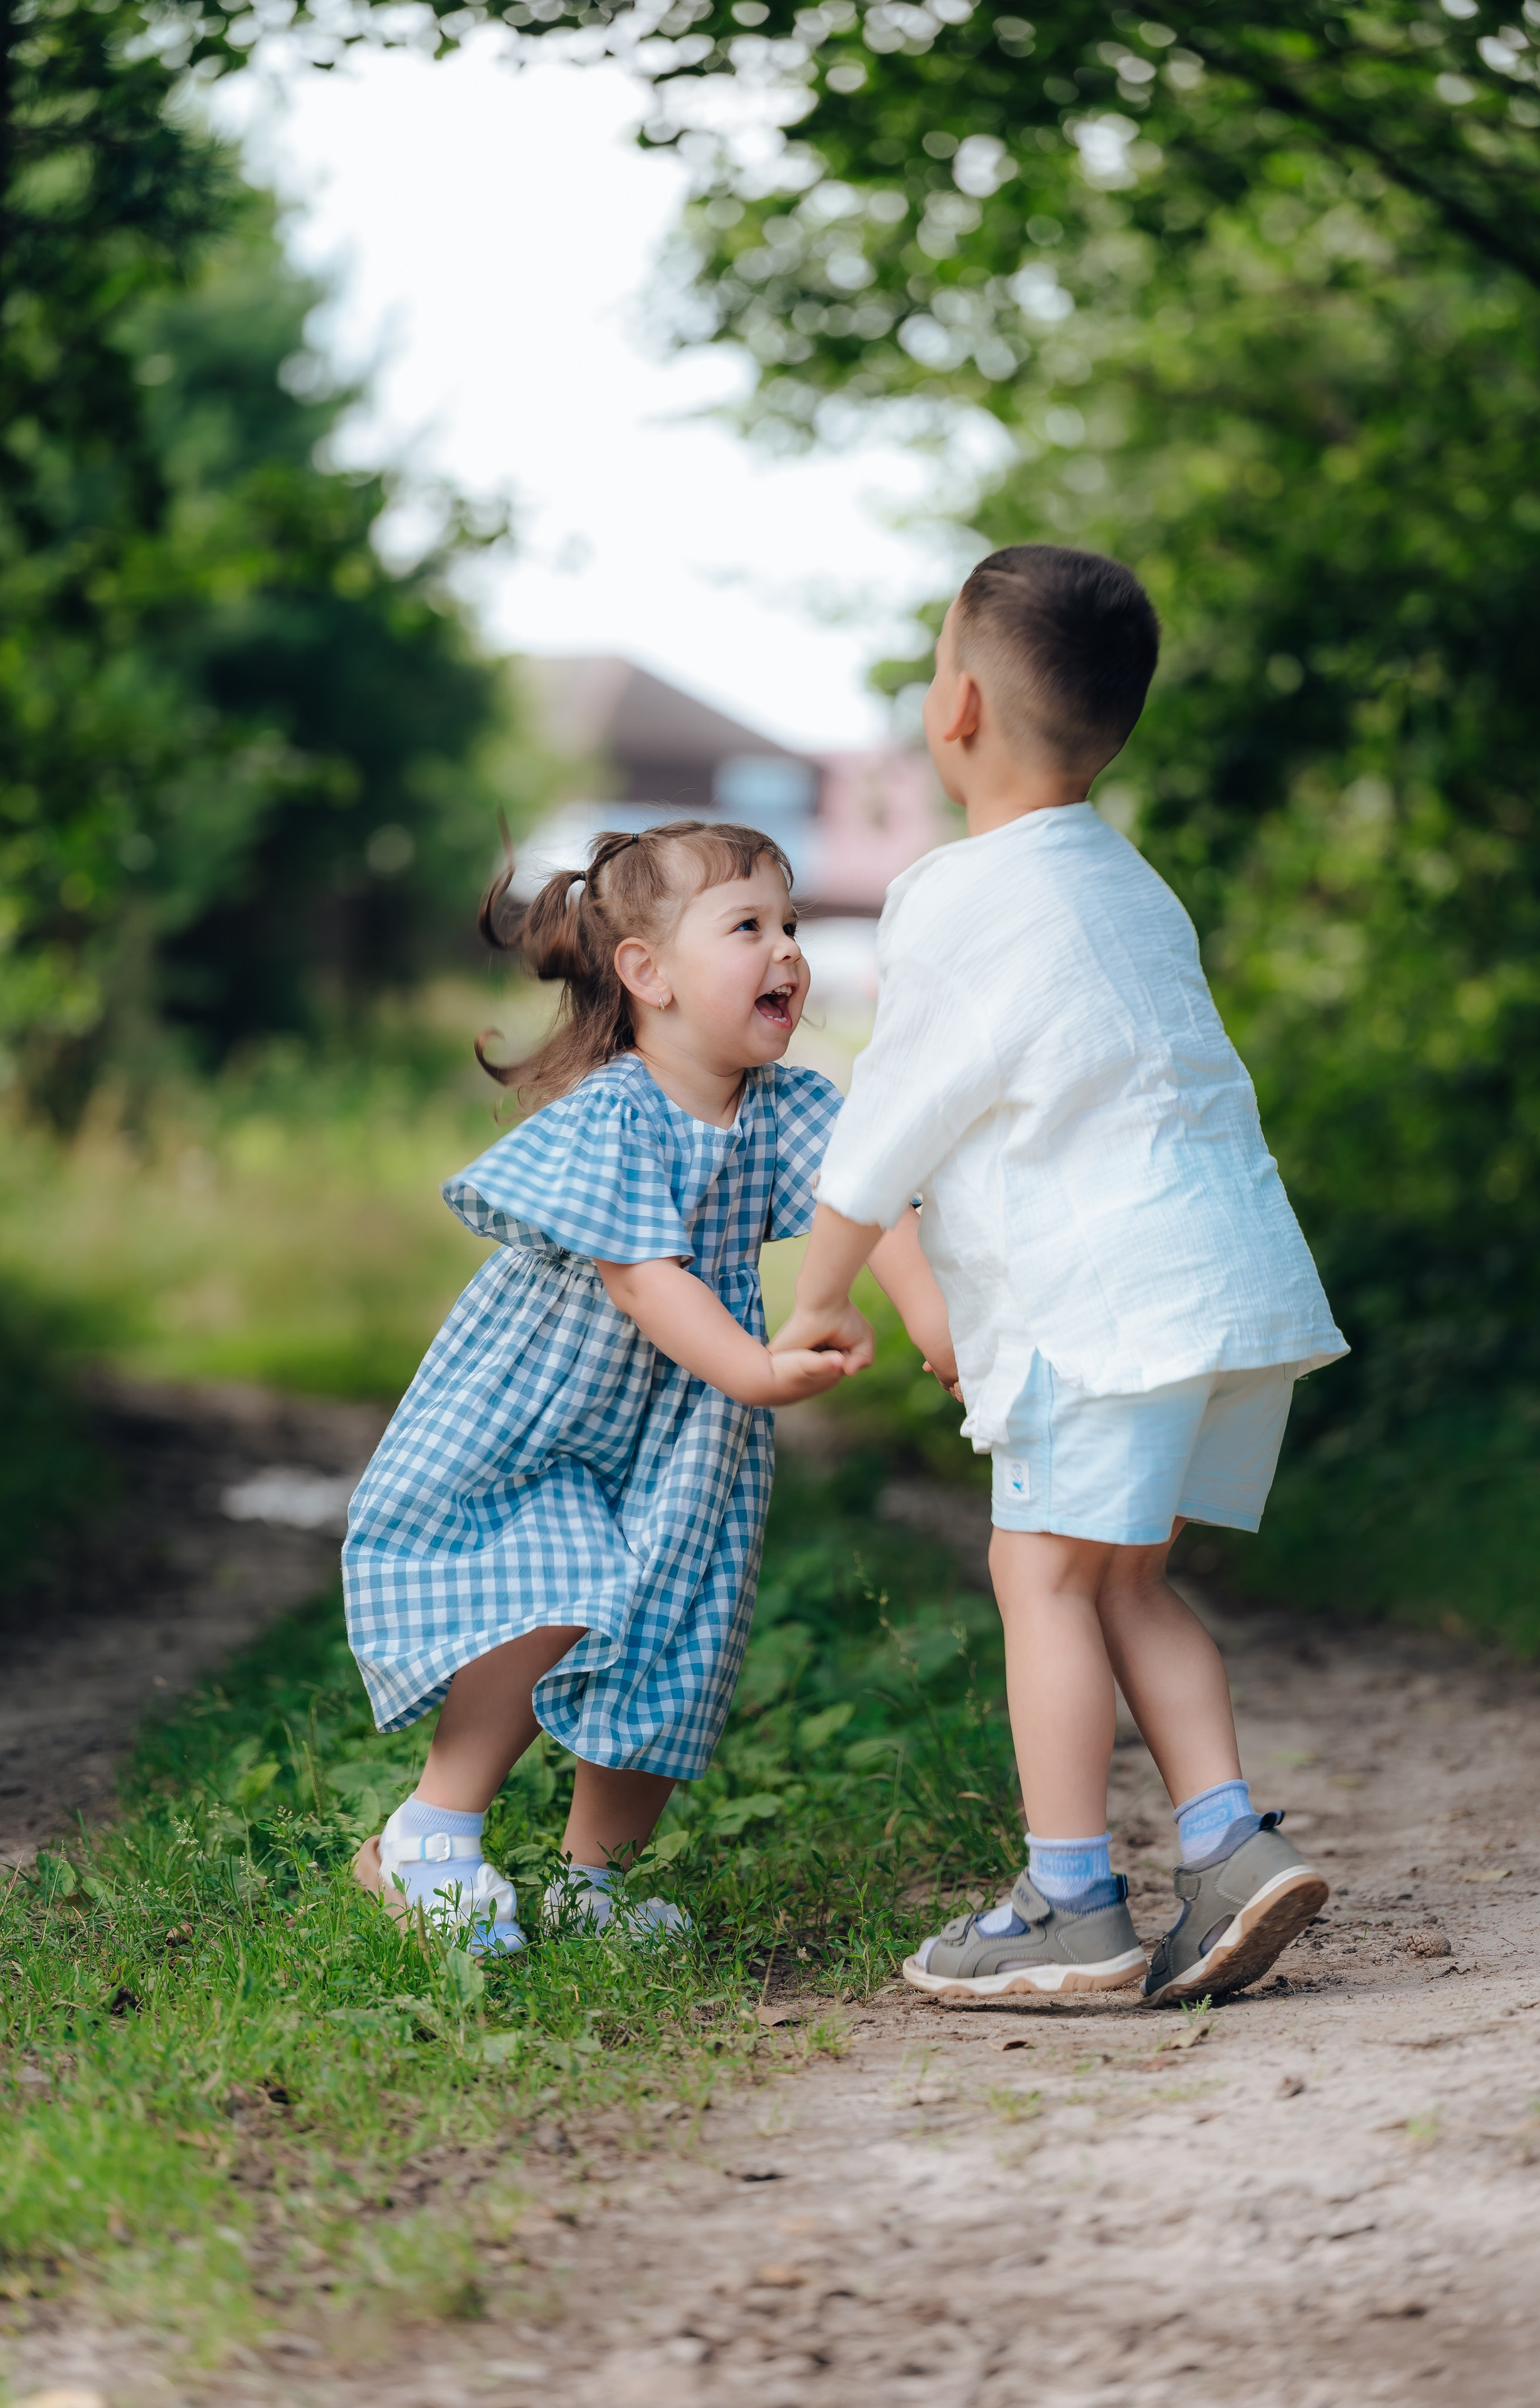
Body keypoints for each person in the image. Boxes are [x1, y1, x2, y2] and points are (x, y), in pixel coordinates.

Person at [769, 546, 1349, 2007]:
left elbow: (885, 1124)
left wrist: (821, 1296)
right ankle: (1224, 1843)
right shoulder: (1128, 885)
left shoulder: (956, 894)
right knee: (1126, 1580)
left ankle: (1068, 1902)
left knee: (1036, 1574)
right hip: (1227, 1286)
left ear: (955, 707)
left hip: (1104, 1311)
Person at [342, 820, 903, 1953]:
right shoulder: (617, 1112)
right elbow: (647, 1282)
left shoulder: (790, 1107)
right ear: (647, 973)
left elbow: (879, 1205)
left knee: (673, 1627)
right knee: (554, 1581)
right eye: (748, 926)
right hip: (547, 1410)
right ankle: (429, 1836)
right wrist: (758, 1370)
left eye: (791, 924)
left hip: (688, 1430)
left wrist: (944, 1341)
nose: (789, 951)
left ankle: (594, 1884)